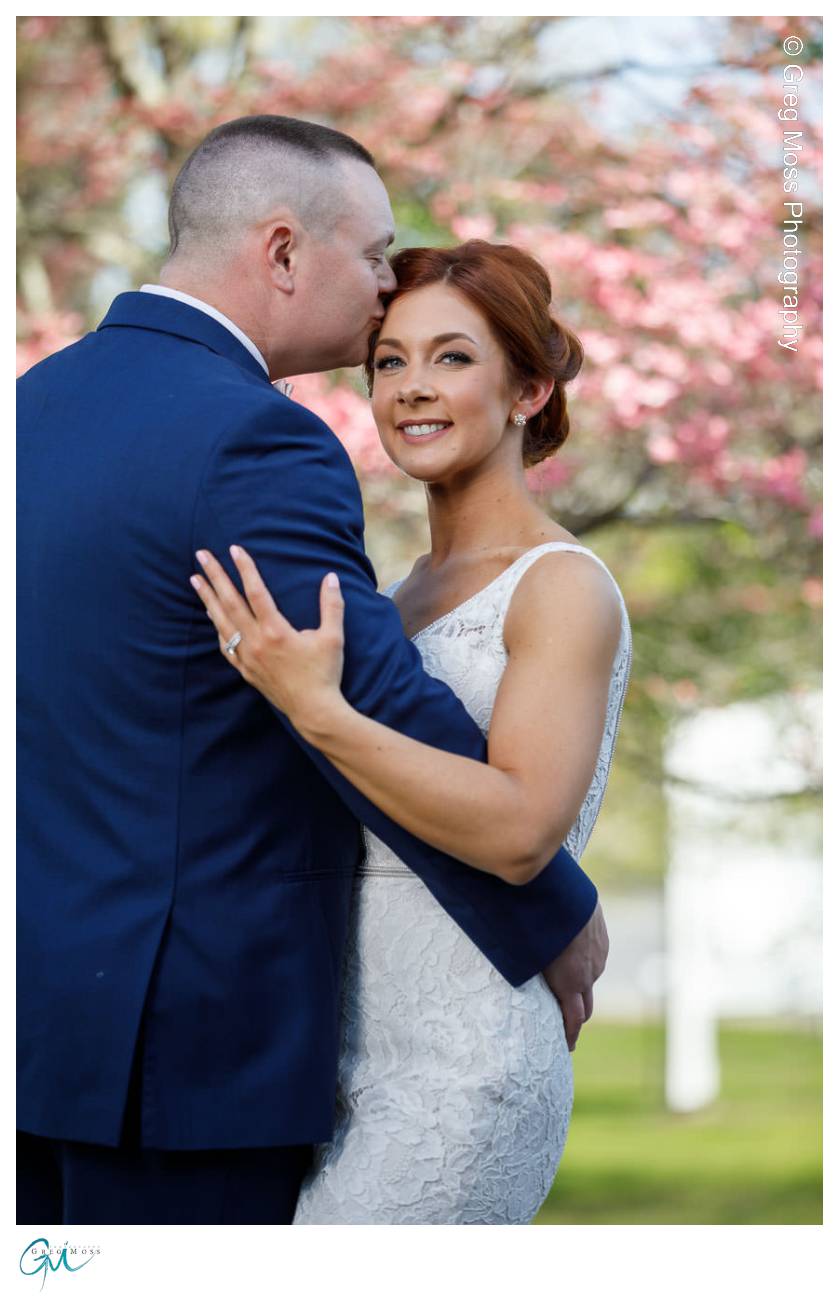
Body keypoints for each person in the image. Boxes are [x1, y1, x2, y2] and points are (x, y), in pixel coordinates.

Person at [17, 115, 607, 1226]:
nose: (385, 287)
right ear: (284, 253)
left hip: (42, 1029)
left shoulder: (29, 413)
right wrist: (552, 906)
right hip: (189, 1055)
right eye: (376, 253)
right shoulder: (250, 437)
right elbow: (360, 697)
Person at [190, 239, 632, 1224]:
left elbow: (520, 830)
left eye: (450, 357)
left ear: (526, 389)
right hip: (338, 1052)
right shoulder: (394, 593)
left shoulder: (561, 588)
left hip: (463, 1068)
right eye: (389, 360)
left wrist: (314, 708)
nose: (409, 388)